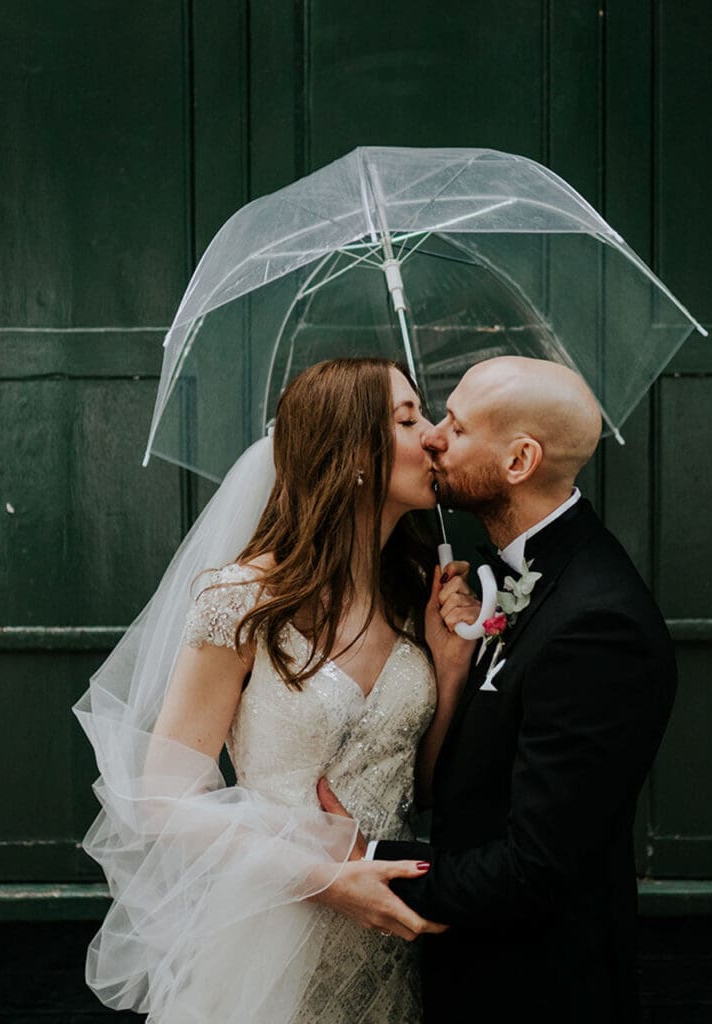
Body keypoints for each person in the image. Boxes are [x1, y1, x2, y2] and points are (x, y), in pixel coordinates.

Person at [75, 357, 471, 1023]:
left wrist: (452, 667)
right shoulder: (241, 601)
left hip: (391, 937)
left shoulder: (414, 600)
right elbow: (164, 801)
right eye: (408, 419)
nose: (434, 435)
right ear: (351, 455)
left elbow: (423, 786)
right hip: (270, 932)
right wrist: (326, 881)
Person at [315, 356, 678, 1023]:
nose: (433, 438)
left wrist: (365, 862)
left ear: (519, 462)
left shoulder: (599, 623)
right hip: (467, 979)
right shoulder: (504, 580)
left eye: (455, 427)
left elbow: (535, 866)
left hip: (537, 995)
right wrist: (452, 667)